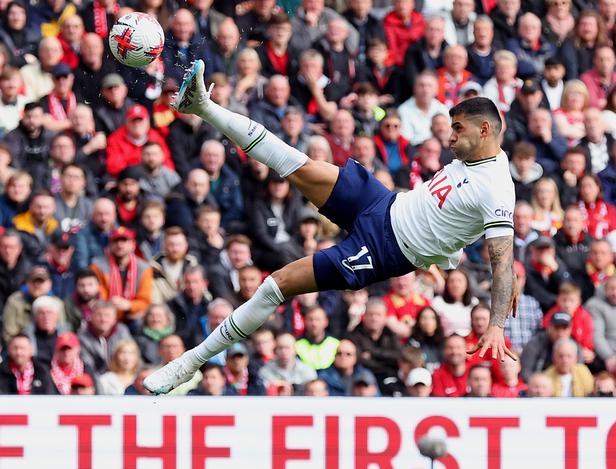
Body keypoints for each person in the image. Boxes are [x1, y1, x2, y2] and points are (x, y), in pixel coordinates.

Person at [144, 62, 517, 395]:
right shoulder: (473, 156)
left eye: (458, 129)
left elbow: (502, 261)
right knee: (296, 162)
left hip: (386, 250)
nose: (450, 137)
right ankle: (202, 107)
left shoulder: (497, 187)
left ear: (485, 130)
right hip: (383, 203)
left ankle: (188, 363)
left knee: (278, 284)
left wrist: (497, 323)